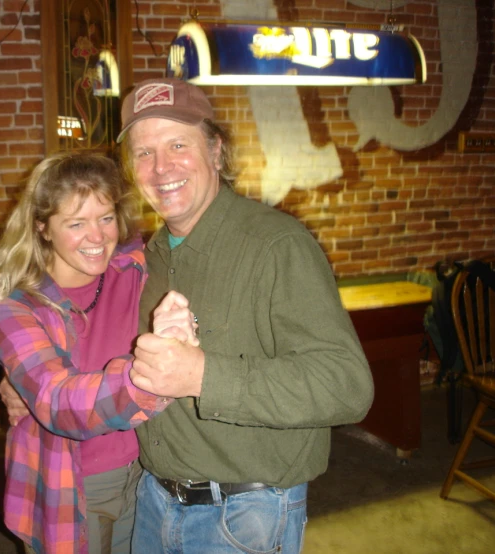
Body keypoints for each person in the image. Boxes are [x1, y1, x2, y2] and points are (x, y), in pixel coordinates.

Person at [117, 78, 375, 553]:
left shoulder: (276, 245)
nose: (161, 167)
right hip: (153, 502)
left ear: (216, 151)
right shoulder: (147, 256)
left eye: (178, 144)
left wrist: (203, 374)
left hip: (242, 519)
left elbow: (347, 385)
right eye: (143, 152)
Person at [0, 151, 197, 554]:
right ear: (43, 228)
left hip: (148, 473)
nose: (97, 237)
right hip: (72, 484)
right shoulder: (15, 309)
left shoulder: (134, 266)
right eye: (76, 223)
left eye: (105, 218)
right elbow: (59, 402)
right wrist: (153, 374)